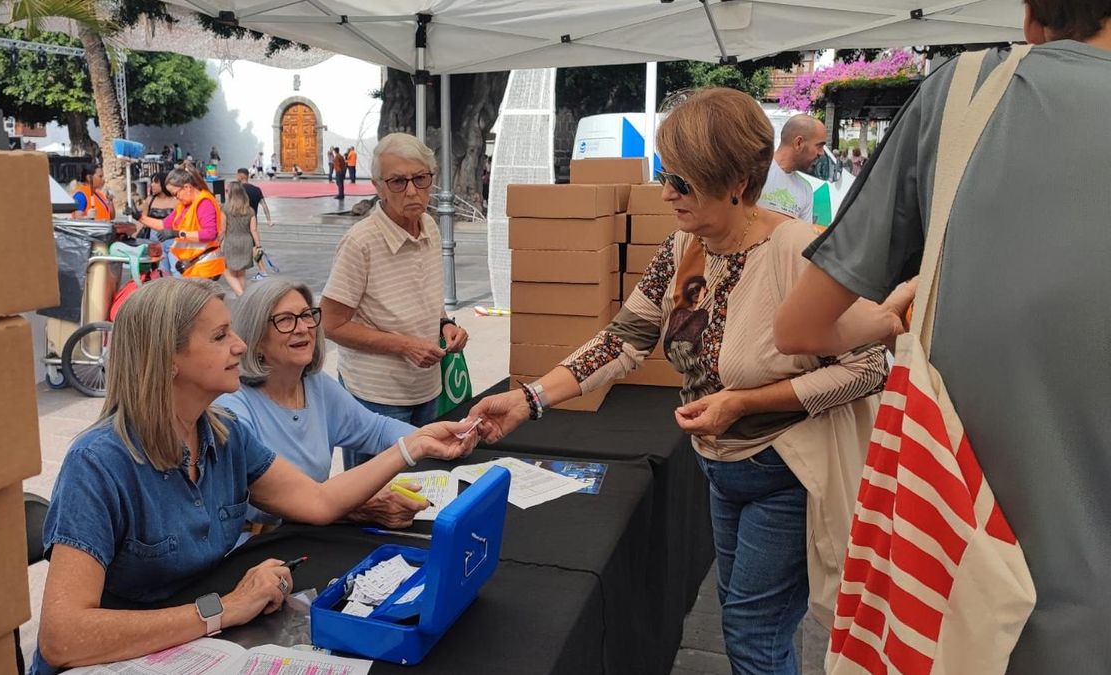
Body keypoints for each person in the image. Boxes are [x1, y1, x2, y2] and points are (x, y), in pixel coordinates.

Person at [470, 88, 889, 675]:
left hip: (789, 470)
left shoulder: (799, 252)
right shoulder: (684, 247)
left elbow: (870, 367)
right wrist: (528, 399)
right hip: (720, 466)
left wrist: (744, 402)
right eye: (666, 176)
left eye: (682, 182)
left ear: (737, 183)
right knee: (754, 622)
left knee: (752, 632)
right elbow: (624, 340)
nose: (666, 193)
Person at [774, 4, 1111, 671]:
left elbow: (799, 327)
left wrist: (903, 310)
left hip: (963, 609)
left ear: (1031, 17)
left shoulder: (967, 94)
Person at [29, 278, 478, 674]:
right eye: (220, 336)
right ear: (167, 359)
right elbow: (62, 637)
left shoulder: (225, 435)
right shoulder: (98, 464)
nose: (240, 346)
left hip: (190, 648)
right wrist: (221, 609)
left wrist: (412, 446)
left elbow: (317, 501)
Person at [217, 277, 431, 529]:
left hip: (313, 530)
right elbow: (268, 508)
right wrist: (354, 506)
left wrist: (437, 438)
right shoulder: (233, 408)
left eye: (307, 315)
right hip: (261, 542)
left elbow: (376, 430)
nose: (302, 328)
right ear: (255, 338)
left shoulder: (315, 384)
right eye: (285, 320)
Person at [321, 133, 469, 438]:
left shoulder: (429, 226)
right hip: (375, 397)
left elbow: (425, 297)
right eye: (398, 181)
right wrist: (404, 346)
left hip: (427, 388)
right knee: (379, 472)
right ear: (379, 187)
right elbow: (330, 325)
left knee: (426, 468)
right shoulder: (360, 242)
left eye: (420, 178)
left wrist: (445, 325)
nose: (412, 191)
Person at [758, 114, 825, 223]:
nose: (821, 153)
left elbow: (802, 232)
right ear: (798, 143)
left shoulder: (806, 190)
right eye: (819, 146)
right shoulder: (756, 172)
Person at [163, 168, 225, 280]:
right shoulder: (190, 204)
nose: (176, 198)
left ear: (187, 187)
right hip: (197, 264)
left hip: (205, 266)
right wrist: (140, 217)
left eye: (175, 194)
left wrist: (178, 233)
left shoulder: (204, 202)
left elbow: (210, 234)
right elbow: (164, 224)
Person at [134, 172, 179, 276]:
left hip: (171, 237)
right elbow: (143, 219)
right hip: (154, 239)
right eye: (152, 182)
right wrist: (134, 236)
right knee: (161, 270)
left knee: (176, 269)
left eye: (155, 182)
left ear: (163, 183)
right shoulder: (150, 200)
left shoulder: (176, 201)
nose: (152, 185)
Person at [222, 182, 259, 296]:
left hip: (231, 241)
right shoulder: (250, 210)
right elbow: (254, 230)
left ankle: (241, 295)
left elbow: (222, 229)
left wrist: (218, 242)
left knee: (226, 270)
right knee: (241, 273)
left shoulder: (225, 209)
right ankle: (242, 298)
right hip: (246, 242)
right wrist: (258, 245)